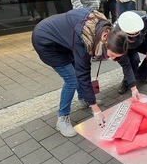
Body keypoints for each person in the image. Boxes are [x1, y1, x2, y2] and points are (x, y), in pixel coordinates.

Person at [32, 8, 140, 137]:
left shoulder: (111, 35)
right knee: (72, 79)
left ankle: (83, 99)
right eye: (112, 55)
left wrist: (133, 88)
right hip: (46, 41)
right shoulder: (85, 41)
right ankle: (62, 119)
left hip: (65, 41)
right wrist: (96, 110)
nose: (113, 59)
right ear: (105, 39)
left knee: (77, 72)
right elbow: (83, 74)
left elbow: (125, 62)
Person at [114, 11, 147, 94]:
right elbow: (125, 63)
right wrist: (133, 87)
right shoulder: (117, 32)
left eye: (136, 33)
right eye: (131, 35)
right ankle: (127, 82)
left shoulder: (145, 20)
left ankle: (140, 76)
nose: (134, 35)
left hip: (141, 41)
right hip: (125, 46)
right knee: (134, 60)